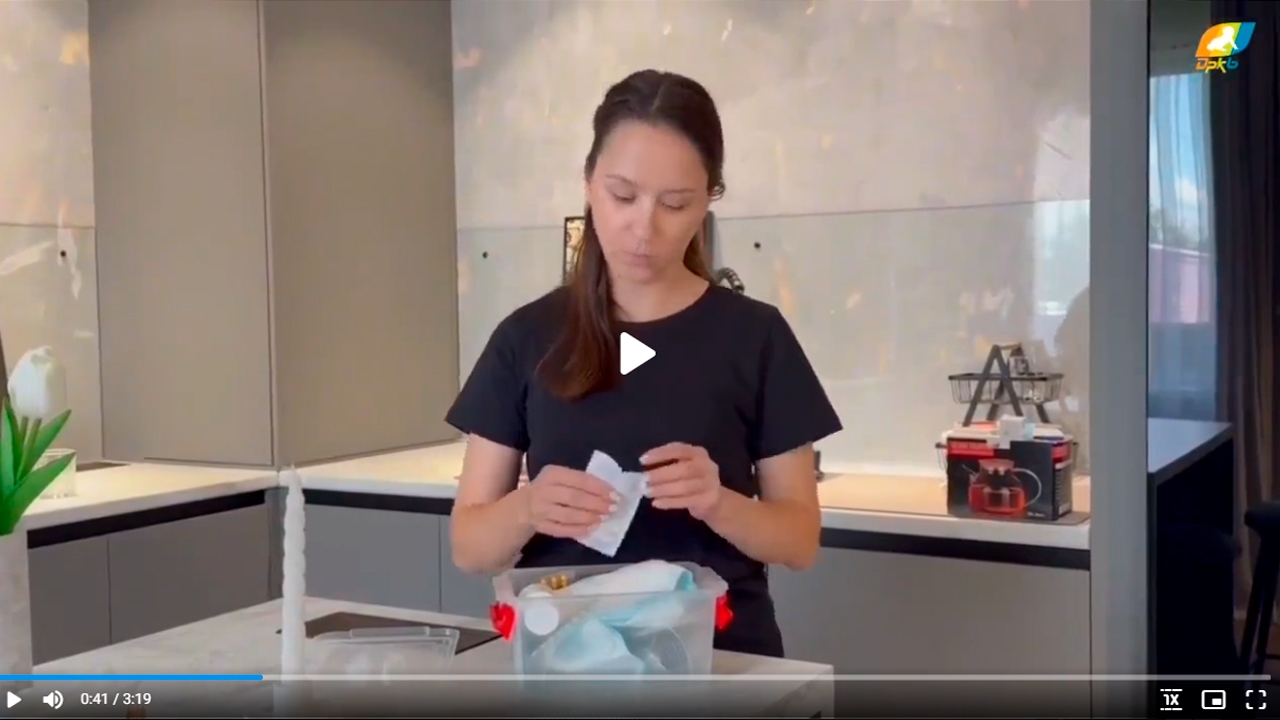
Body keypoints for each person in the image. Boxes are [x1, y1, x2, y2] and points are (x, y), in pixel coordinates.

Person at [445, 69, 843, 659]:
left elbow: (800, 540)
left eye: (675, 203)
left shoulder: (755, 337)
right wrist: (528, 507)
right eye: (623, 196)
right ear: (588, 183)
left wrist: (720, 502)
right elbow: (470, 547)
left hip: (722, 662)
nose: (643, 228)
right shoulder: (527, 337)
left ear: (707, 200)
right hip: (570, 662)